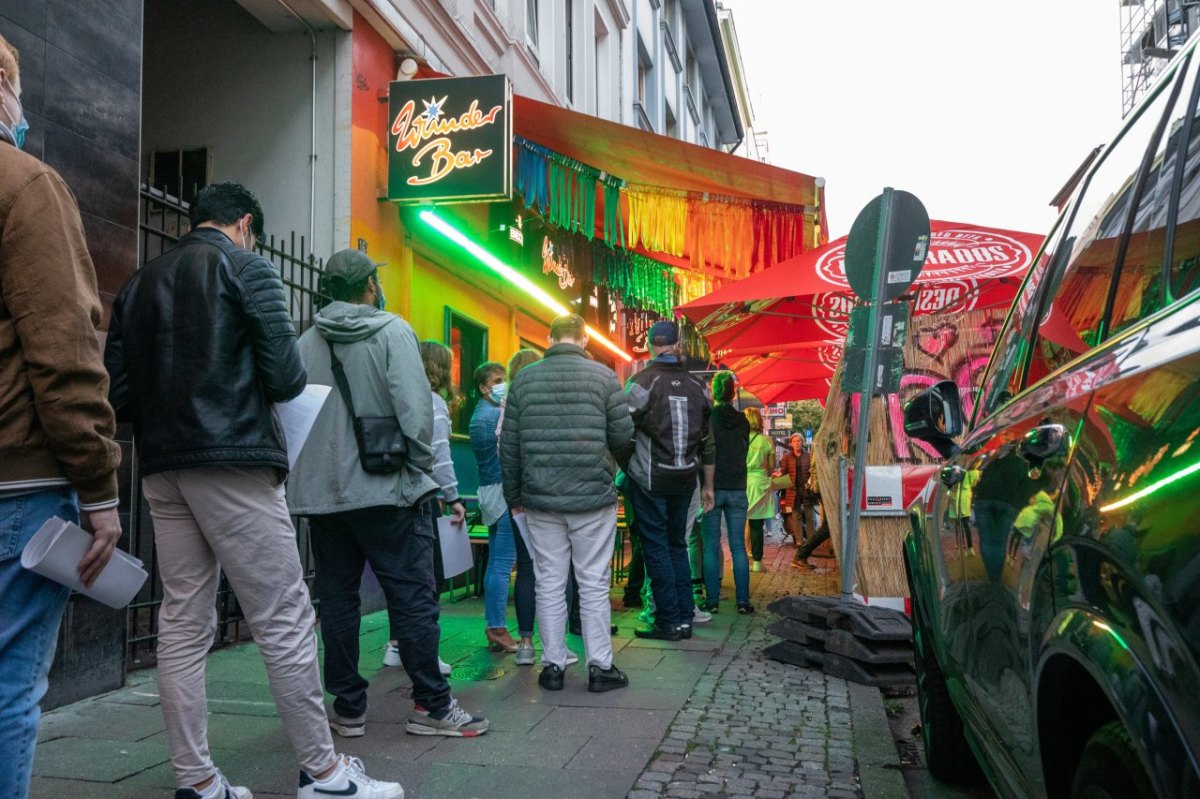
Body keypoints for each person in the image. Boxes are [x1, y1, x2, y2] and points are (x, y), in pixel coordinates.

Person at [105, 185, 402, 798]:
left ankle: (197, 781)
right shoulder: (247, 267)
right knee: (284, 614)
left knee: (183, 620)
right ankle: (325, 775)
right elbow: (288, 377)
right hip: (235, 458)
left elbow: (119, 394)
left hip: (163, 467)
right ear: (245, 224)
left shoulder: (138, 285)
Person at [288, 249, 487, 743]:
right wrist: (421, 467)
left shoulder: (305, 341)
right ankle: (431, 705)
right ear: (369, 287)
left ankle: (347, 707)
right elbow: (416, 411)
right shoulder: (391, 330)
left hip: (325, 495)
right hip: (389, 490)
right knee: (413, 597)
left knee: (336, 598)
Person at [0, 35, 124, 799]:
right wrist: (100, 487)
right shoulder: (25, 184)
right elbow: (64, 347)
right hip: (19, 484)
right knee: (10, 688)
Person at [500, 314, 633, 693]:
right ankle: (600, 666)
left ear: (549, 338)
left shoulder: (524, 379)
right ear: (585, 339)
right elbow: (623, 437)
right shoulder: (604, 378)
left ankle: (553, 666)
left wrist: (515, 497)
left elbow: (508, 447)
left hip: (540, 498)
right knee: (592, 582)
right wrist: (616, 473)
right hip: (592, 496)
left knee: (549, 581)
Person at [625, 320, 715, 642]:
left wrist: (627, 463)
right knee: (678, 545)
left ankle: (666, 621)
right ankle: (684, 619)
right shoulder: (699, 386)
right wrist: (706, 483)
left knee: (657, 548)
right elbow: (706, 437)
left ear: (650, 345)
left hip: (650, 476)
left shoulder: (640, 383)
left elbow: (622, 429)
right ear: (677, 345)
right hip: (685, 478)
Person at [382, 340, 463, 677]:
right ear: (441, 369)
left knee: (399, 575)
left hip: (389, 493)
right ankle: (425, 654)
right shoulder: (434, 403)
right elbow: (439, 454)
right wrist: (454, 497)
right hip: (423, 496)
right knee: (431, 576)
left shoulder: (395, 395)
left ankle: (396, 644)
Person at [469, 356, 535, 663]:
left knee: (498, 560)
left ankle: (494, 627)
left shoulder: (481, 413)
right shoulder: (491, 416)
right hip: (503, 492)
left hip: (489, 492)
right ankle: (497, 627)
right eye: (497, 382)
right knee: (502, 563)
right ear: (484, 388)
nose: (502, 386)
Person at [700, 371, 753, 614]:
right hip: (737, 488)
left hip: (711, 487)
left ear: (714, 391)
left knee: (710, 545)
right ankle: (743, 601)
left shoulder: (708, 418)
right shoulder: (743, 421)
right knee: (738, 546)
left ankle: (712, 601)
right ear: (734, 393)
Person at [743, 407, 775, 572]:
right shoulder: (767, 441)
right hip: (760, 483)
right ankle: (757, 562)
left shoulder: (739, 438)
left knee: (740, 522)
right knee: (756, 524)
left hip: (742, 482)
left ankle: (739, 561)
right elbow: (771, 466)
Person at [791, 462, 831, 571]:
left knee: (827, 526)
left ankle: (801, 555)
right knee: (828, 527)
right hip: (828, 487)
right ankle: (800, 555)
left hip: (826, 487)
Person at [779, 433, 812, 545]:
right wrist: (776, 478)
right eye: (794, 441)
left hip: (807, 490)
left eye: (799, 441)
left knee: (809, 516)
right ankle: (799, 541)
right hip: (793, 491)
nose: (797, 443)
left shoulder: (808, 456)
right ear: (791, 444)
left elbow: (813, 471)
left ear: (802, 442)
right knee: (796, 516)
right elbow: (783, 473)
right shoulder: (786, 457)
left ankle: (812, 541)